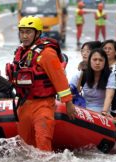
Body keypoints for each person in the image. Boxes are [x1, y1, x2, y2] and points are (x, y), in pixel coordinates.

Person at [6, 16, 75, 152]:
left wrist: (68, 103)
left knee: (43, 144)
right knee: (25, 148)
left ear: (37, 34)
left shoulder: (47, 53)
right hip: (24, 104)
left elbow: (59, 78)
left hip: (43, 105)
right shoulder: (20, 52)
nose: (24, 36)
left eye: (28, 32)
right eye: (22, 32)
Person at [70, 48, 116, 114]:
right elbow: (69, 87)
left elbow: (109, 96)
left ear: (105, 62)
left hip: (102, 110)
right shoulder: (82, 74)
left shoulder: (110, 75)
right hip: (83, 108)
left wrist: (104, 112)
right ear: (90, 61)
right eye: (95, 60)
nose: (97, 63)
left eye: (100, 60)